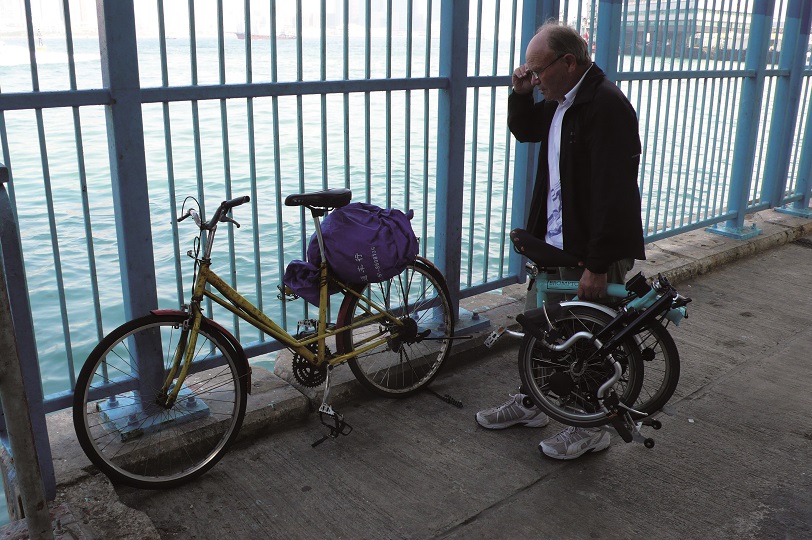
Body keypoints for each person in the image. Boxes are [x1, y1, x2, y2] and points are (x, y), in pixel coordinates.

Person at [475, 21, 646, 460]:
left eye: (538, 71)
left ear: (568, 63)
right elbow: (527, 130)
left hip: (592, 248)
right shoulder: (562, 101)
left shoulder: (606, 107)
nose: (534, 79)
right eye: (529, 72)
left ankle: (592, 426)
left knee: (588, 344)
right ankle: (534, 402)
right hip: (558, 240)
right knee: (542, 326)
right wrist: (519, 93)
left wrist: (597, 264)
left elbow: (616, 193)